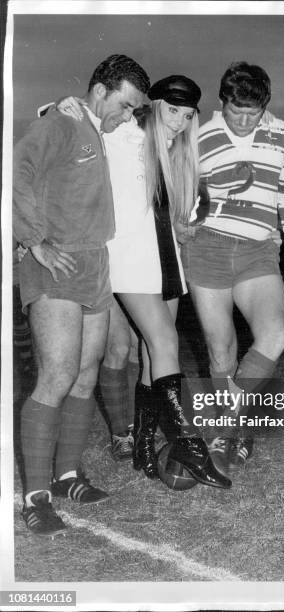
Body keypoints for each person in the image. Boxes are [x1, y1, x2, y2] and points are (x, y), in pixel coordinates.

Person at [56, 75, 231, 490]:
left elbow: (180, 208)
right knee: (166, 343)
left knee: (155, 357)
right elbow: (77, 118)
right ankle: (188, 443)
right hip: (130, 260)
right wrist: (60, 104)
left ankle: (142, 446)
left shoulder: (178, 151)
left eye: (187, 115)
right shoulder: (122, 132)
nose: (178, 121)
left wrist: (188, 223)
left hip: (165, 260)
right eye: (172, 111)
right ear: (152, 107)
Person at [13, 54, 150, 537]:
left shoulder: (94, 129)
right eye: (126, 105)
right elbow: (17, 173)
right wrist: (34, 242)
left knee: (86, 372)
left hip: (96, 263)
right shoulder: (63, 122)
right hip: (59, 263)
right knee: (57, 374)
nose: (128, 115)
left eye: (134, 109)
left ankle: (68, 474)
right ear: (99, 91)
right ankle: (35, 497)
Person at [180, 61, 284, 472]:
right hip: (209, 247)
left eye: (254, 114)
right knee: (221, 353)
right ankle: (232, 429)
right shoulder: (199, 135)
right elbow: (184, 197)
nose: (245, 121)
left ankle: (227, 426)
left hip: (258, 249)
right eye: (237, 113)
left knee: (277, 332)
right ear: (223, 102)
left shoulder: (280, 132)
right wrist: (214, 192)